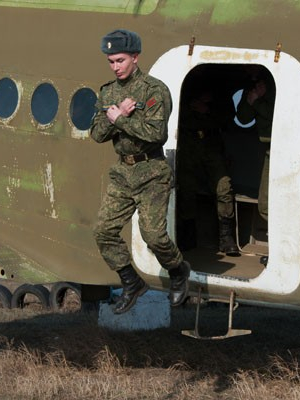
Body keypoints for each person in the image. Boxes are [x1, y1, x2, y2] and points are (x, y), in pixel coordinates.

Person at [90, 29, 191, 314]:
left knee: (154, 236)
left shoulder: (154, 90)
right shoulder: (108, 92)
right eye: (111, 62)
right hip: (123, 172)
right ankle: (131, 282)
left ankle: (178, 270)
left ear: (135, 57)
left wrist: (120, 119)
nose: (115, 67)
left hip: (152, 172)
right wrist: (116, 116)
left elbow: (156, 134)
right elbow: (97, 133)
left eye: (120, 60)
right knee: (103, 231)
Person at [177, 88, 240, 256]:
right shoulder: (186, 88)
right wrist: (191, 107)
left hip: (212, 144)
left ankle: (226, 237)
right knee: (186, 189)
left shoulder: (219, 89)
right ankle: (188, 235)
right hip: (188, 144)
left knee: (224, 188)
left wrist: (207, 110)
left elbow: (228, 119)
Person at [236, 65, 275, 222]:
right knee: (265, 198)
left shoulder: (273, 83)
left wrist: (257, 101)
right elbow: (244, 118)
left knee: (268, 200)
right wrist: (251, 100)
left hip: (279, 144)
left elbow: (278, 115)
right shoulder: (252, 86)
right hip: (266, 146)